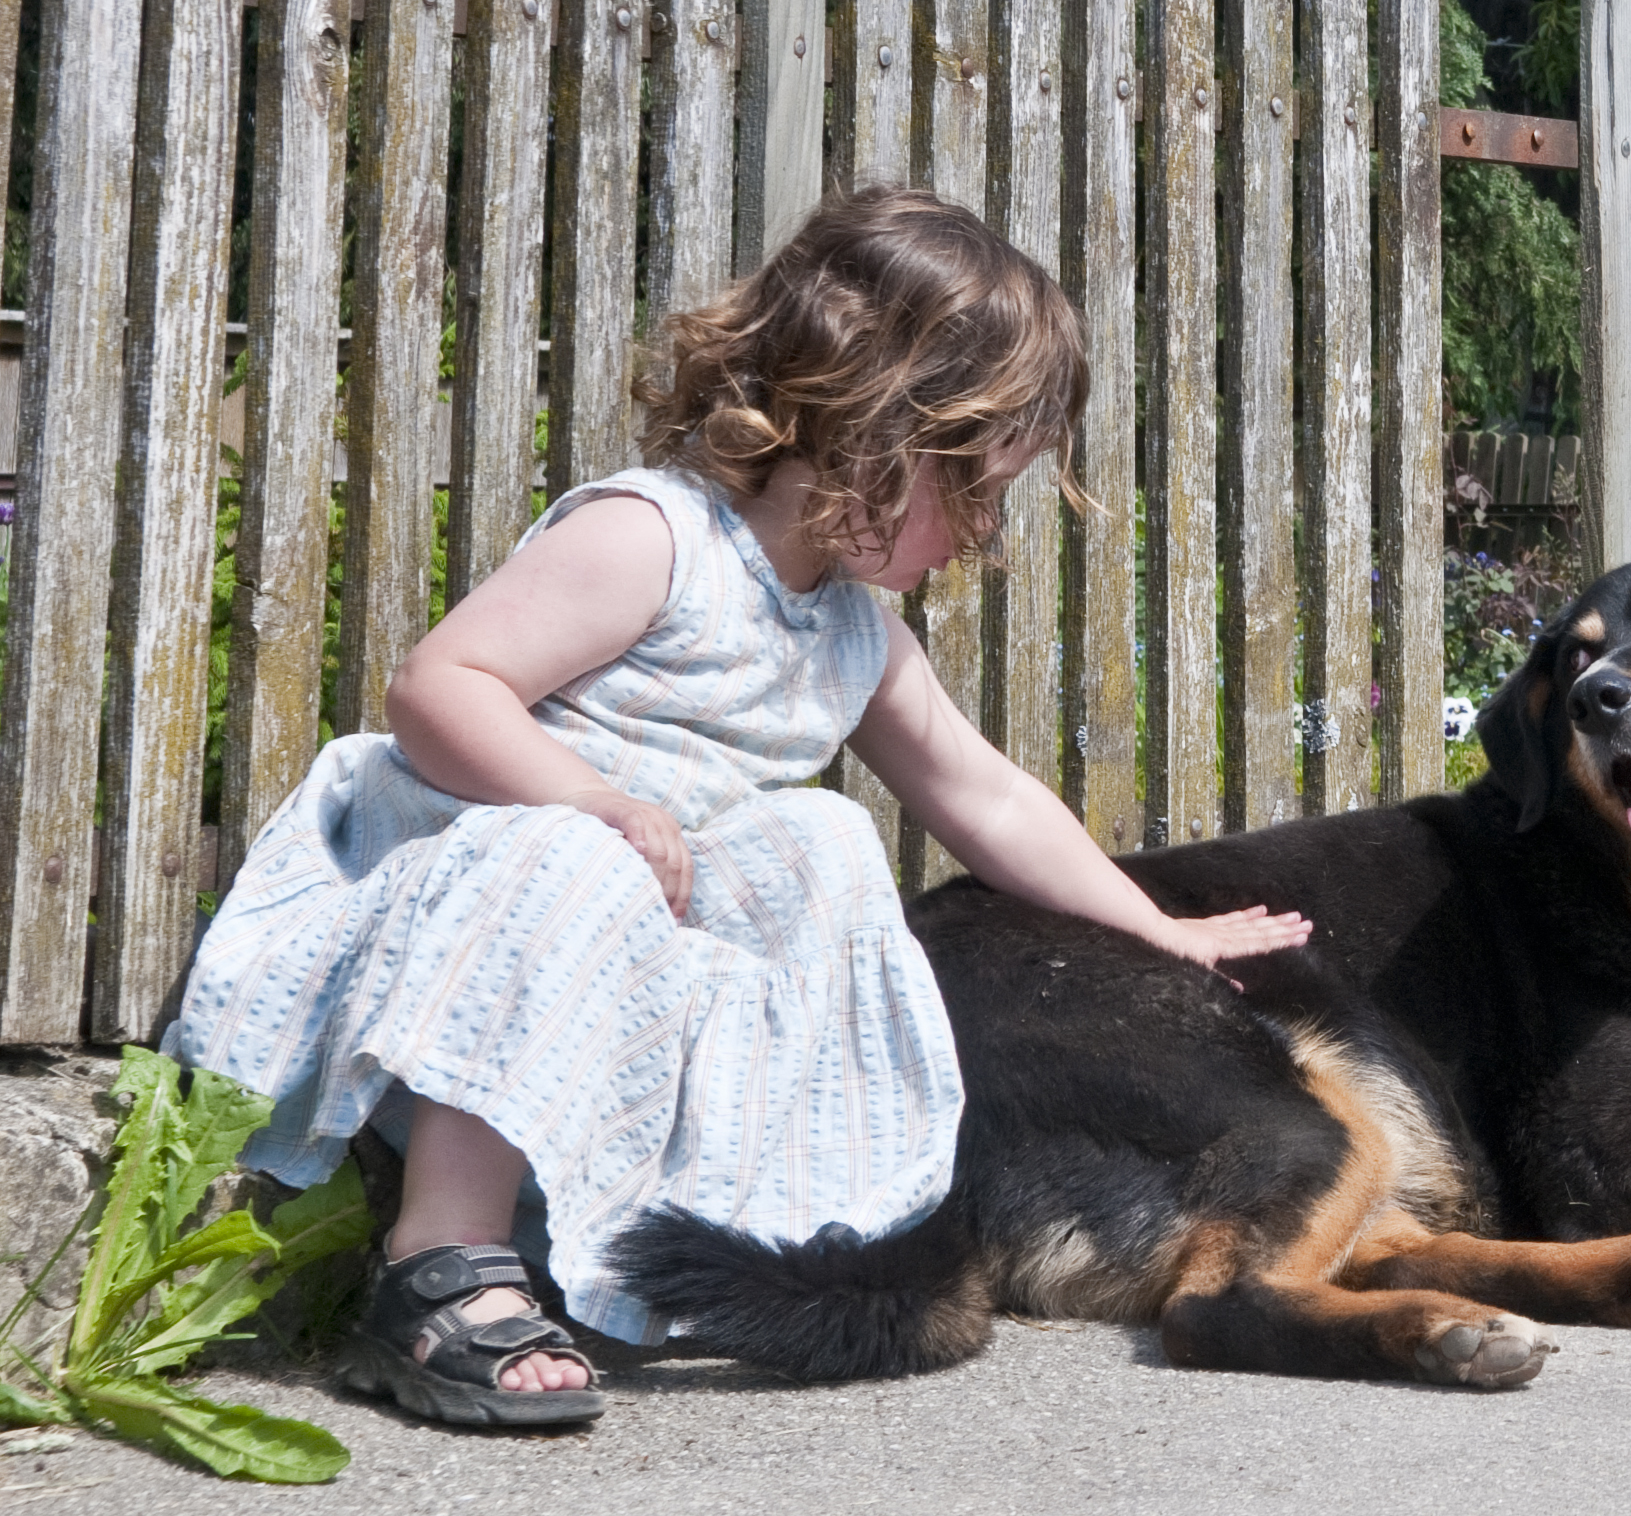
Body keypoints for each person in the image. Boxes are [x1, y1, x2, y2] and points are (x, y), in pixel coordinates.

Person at [162, 186, 1310, 1431]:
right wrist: (590, 798)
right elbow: (440, 686)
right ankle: (438, 1256)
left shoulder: (852, 633)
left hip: (619, 979)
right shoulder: (652, 538)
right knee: (578, 855)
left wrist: (1160, 929)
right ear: (876, 428)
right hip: (457, 929)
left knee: (819, 839)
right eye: (972, 489)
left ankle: (766, 1224)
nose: (982, 534)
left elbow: (985, 794)